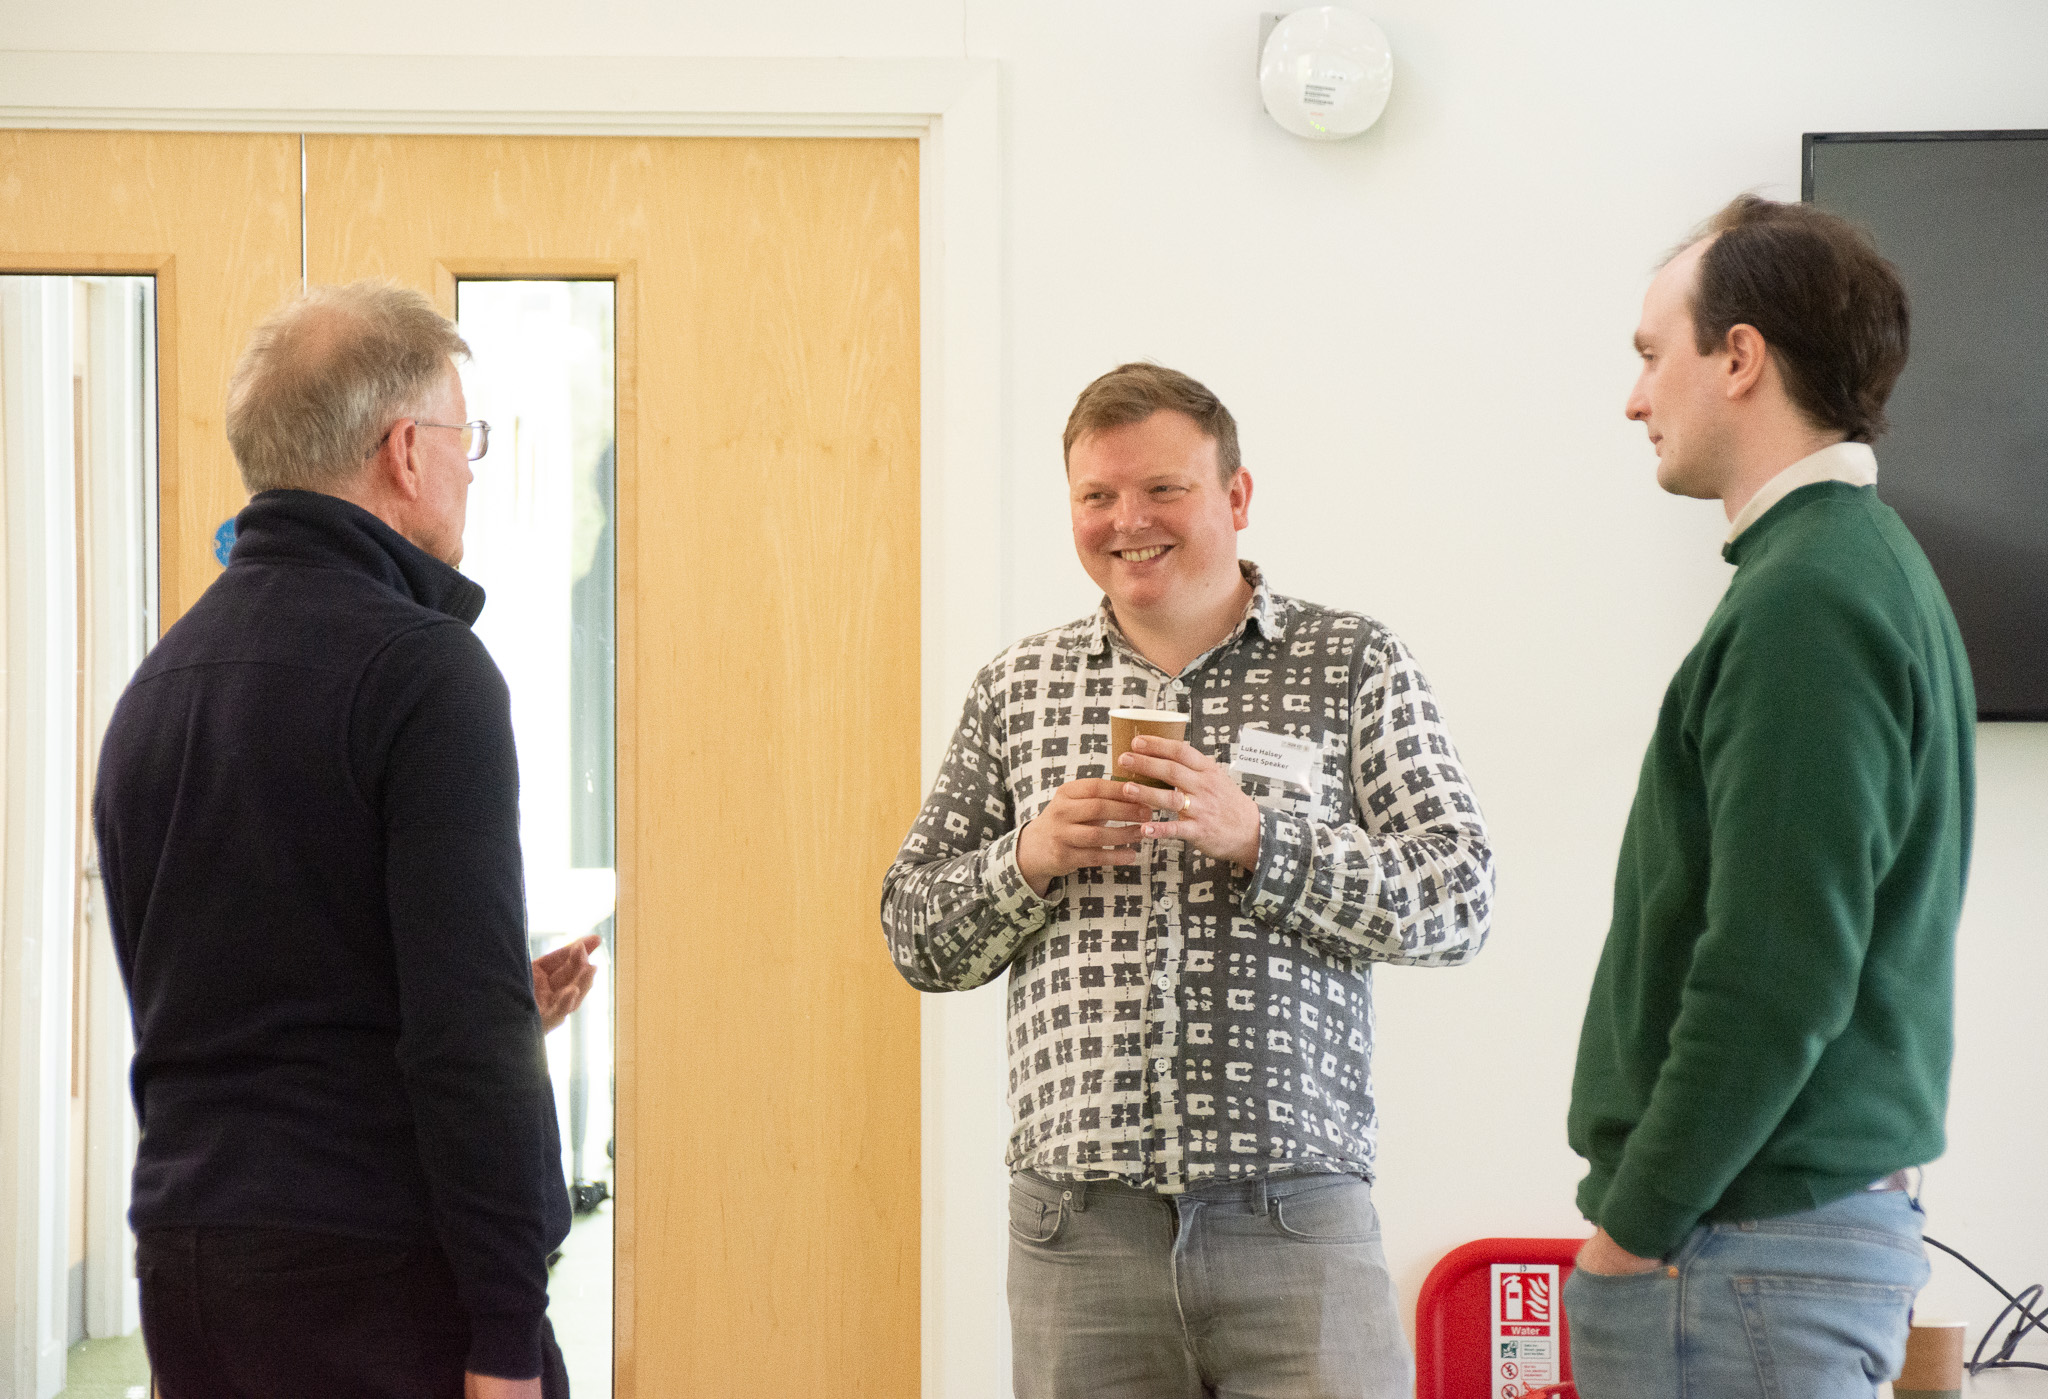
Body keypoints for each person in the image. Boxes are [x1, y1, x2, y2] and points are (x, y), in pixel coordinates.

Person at [881, 363, 1494, 1399]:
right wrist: (1027, 858)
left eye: (1163, 488)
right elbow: (913, 934)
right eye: (1097, 494)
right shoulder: (1016, 686)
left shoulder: (1350, 660)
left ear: (1236, 495)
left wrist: (1262, 840)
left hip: (1295, 1218)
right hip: (1077, 1234)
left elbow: (1460, 897)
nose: (1128, 520)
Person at [94, 281, 599, 1399]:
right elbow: (461, 1040)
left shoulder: (159, 688)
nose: (471, 469)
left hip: (191, 1269)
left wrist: (497, 995)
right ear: (404, 451)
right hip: (383, 1282)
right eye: (466, 438)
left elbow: (226, 1001)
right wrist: (507, 1335)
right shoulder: (426, 673)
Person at [1563, 196, 1976, 1399]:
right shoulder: (1853, 567)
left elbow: (1774, 967)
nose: (1634, 399)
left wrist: (1633, 1228)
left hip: (1738, 1248)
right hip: (1777, 1248)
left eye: (1652, 355)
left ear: (1737, 357)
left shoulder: (1807, 597)